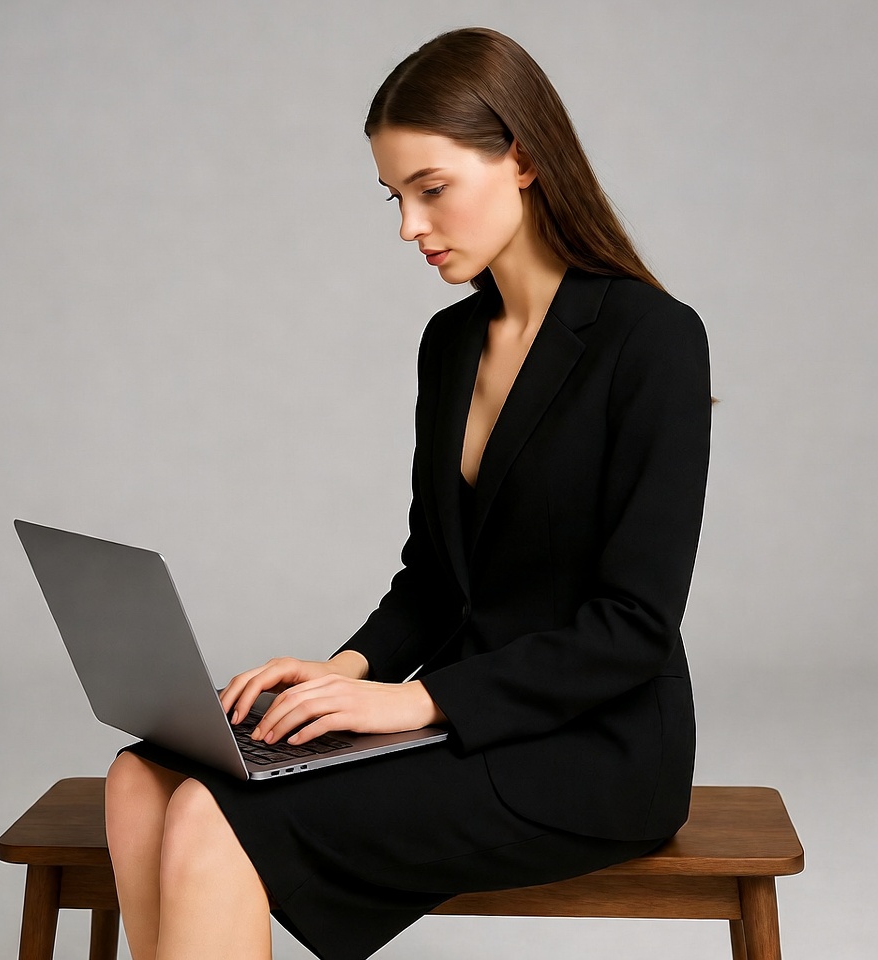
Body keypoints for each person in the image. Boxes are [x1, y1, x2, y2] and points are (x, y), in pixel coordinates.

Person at [104, 26, 711, 960]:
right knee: (142, 779)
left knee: (214, 823)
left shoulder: (653, 339)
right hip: (463, 724)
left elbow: (632, 626)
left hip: (594, 751)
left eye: (431, 191)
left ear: (524, 159)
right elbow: (437, 580)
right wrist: (342, 674)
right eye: (394, 198)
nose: (409, 227)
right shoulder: (450, 344)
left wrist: (417, 705)